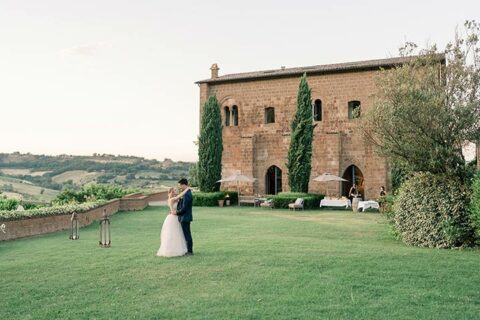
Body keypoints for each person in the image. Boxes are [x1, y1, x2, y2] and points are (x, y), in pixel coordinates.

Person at [156, 186, 190, 257]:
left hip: (175, 217)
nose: (175, 191)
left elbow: (179, 199)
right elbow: (180, 196)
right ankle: (170, 250)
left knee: (177, 234)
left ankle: (177, 249)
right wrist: (187, 189)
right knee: (172, 234)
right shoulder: (171, 199)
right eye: (174, 191)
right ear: (171, 192)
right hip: (172, 218)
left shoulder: (174, 199)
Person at [173, 178, 194, 256]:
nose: (179, 187)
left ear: (183, 185)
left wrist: (176, 212)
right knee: (186, 234)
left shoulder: (187, 194)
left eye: (180, 186)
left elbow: (184, 208)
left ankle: (190, 251)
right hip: (184, 217)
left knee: (187, 235)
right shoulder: (185, 193)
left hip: (185, 217)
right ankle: (187, 250)